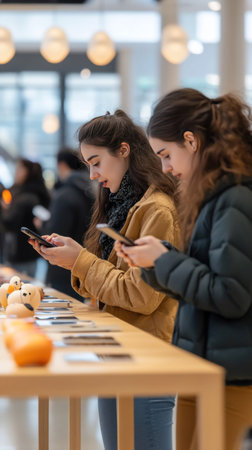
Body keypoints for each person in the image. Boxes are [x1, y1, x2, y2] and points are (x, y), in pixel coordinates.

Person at [29, 109, 181, 450]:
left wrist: (80, 260)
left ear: (124, 151)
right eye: (88, 165)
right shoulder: (121, 206)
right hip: (117, 351)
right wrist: (75, 259)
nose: (93, 174)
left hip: (147, 359)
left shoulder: (156, 209)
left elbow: (141, 294)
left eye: (97, 162)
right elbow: (114, 280)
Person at [116, 88, 252, 450]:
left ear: (190, 140)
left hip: (233, 377)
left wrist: (164, 261)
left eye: (166, 154)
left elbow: (231, 294)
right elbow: (200, 281)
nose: (165, 168)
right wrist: (155, 262)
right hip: (204, 366)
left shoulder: (235, 196)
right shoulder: (212, 196)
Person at [38, 148, 95, 298]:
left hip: (63, 266)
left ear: (62, 165)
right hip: (87, 264)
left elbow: (55, 231)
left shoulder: (64, 195)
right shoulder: (91, 191)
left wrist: (41, 225)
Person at [0, 158, 50, 277]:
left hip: (22, 253)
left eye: (19, 169)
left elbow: (10, 222)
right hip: (26, 252)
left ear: (27, 172)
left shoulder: (26, 197)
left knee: (21, 288)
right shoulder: (27, 192)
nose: (16, 172)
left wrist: (4, 209)